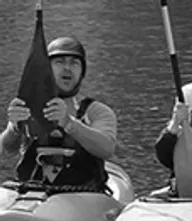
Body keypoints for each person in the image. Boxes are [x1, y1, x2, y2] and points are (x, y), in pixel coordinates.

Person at [3, 37, 120, 194]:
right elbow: (7, 149)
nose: (67, 68)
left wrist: (68, 123)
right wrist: (14, 129)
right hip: (31, 192)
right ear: (47, 69)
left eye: (74, 63)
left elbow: (107, 149)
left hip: (84, 194)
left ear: (82, 72)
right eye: (59, 62)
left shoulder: (96, 111)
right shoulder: (28, 108)